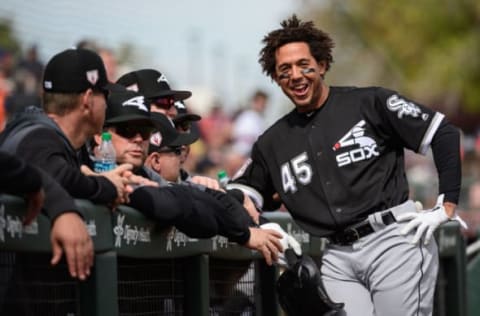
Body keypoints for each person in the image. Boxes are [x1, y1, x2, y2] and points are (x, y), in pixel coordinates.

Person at [228, 14, 465, 315]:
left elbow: (442, 132)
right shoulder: (272, 142)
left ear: (323, 64)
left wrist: (447, 205)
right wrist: (258, 224)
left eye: (304, 64)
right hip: (337, 257)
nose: (296, 75)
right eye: (284, 69)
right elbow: (239, 192)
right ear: (275, 78)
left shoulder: (369, 103)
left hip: (393, 240)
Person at [88, 87, 286, 265]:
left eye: (145, 131)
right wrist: (243, 234)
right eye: (127, 131)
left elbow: (207, 218)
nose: (138, 139)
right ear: (99, 136)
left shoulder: (144, 174)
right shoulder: (91, 167)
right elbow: (167, 206)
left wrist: (243, 228)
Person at [0, 48, 140, 279]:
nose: (107, 104)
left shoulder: (48, 135)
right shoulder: (38, 135)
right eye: (104, 95)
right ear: (87, 100)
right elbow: (52, 173)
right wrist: (104, 186)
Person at [231, 89, 269, 157]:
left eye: (264, 103)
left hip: (250, 157)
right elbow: (235, 135)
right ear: (254, 102)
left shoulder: (260, 120)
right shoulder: (246, 116)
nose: (263, 106)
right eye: (261, 103)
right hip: (239, 155)